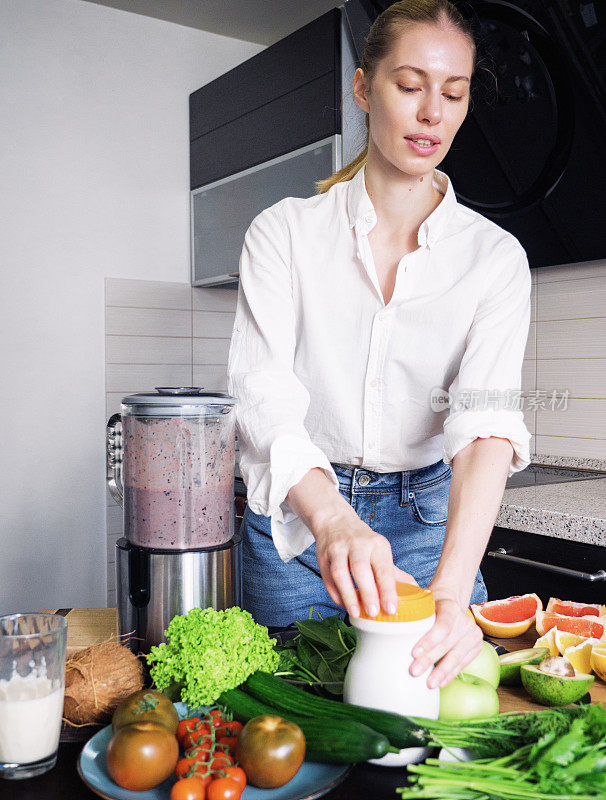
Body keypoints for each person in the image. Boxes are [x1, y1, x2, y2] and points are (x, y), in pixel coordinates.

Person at [227, 0, 532, 690]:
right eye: (410, 85)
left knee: (435, 724)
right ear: (364, 88)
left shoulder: (495, 259)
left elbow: (485, 428)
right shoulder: (284, 234)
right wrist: (332, 520)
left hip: (429, 535)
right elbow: (263, 399)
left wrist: (451, 595)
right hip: (300, 530)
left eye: (453, 94)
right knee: (293, 719)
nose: (432, 113)